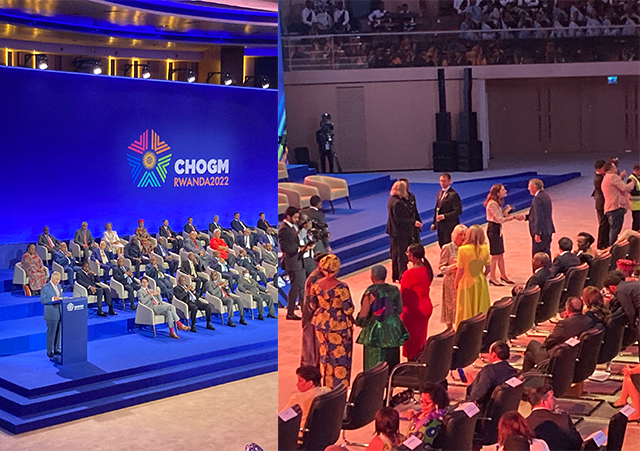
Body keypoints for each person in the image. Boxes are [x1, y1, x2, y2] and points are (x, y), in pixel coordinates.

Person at [310, 255, 354, 388]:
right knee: (341, 361)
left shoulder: (316, 285)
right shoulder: (341, 287)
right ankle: (339, 391)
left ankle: (326, 389)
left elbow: (313, 305)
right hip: (339, 325)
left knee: (326, 359)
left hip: (321, 323)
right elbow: (348, 309)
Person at [356, 265, 409, 371]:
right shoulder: (394, 289)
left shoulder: (370, 291)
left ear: (372, 277)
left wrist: (359, 321)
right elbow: (399, 309)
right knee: (391, 362)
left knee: (375, 365)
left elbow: (364, 312)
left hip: (375, 331)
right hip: (392, 330)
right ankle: (390, 384)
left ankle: (375, 385)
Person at [522, 297, 593, 372]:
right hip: (573, 358)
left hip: (555, 360)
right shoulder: (589, 321)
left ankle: (524, 377)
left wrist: (543, 348)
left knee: (532, 344)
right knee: (529, 355)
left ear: (568, 310)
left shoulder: (564, 324)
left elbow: (549, 342)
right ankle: (526, 376)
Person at [401, 243, 434, 361]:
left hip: (414, 311)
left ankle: (412, 365)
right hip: (426, 307)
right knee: (420, 338)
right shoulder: (427, 269)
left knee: (412, 341)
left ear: (412, 256)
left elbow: (403, 295)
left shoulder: (409, 274)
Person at [466, 341, 518, 414]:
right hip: (502, 411)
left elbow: (477, 396)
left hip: (485, 411)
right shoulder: (513, 371)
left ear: (493, 355)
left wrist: (472, 384)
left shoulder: (488, 371)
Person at [526, 386, 583, 451]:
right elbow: (577, 443)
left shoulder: (525, 423)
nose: (555, 399)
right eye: (552, 397)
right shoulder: (562, 418)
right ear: (543, 402)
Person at [455, 224, 491, 327]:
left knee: (465, 307)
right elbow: (488, 268)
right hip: (480, 280)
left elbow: (460, 271)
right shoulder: (485, 248)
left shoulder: (463, 249)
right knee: (481, 305)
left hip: (466, 281)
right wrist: (482, 275)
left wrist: (456, 282)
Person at [485, 184, 519, 286]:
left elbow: (500, 216)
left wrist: (506, 211)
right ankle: (492, 277)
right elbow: (500, 219)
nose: (505, 191)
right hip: (493, 229)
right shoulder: (492, 204)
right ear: (497, 192)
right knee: (495, 255)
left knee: (500, 254)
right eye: (503, 190)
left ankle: (503, 276)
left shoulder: (497, 202)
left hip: (497, 229)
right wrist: (513, 217)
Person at [387, 180, 421, 282]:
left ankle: (396, 275)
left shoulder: (391, 199)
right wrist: (413, 222)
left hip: (394, 232)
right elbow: (399, 219)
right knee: (401, 255)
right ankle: (402, 276)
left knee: (396, 254)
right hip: (399, 233)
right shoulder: (397, 203)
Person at [300, 252, 328, 367]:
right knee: (312, 349)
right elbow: (311, 303)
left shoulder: (323, 276)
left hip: (320, 317)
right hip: (313, 318)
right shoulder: (315, 278)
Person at [279, 206, 306, 320]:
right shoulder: (284, 229)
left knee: (298, 286)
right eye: (295, 217)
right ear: (288, 216)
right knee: (295, 287)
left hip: (296, 261)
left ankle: (298, 309)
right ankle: (290, 312)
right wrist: (299, 249)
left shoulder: (290, 226)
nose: (297, 219)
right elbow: (285, 247)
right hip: (292, 262)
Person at [439, 224, 468, 329]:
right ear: (455, 235)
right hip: (450, 282)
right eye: (461, 234)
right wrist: (452, 267)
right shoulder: (447, 248)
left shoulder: (467, 248)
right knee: (450, 306)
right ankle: (449, 330)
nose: (463, 237)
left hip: (463, 280)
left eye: (465, 234)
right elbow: (441, 267)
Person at [405, 382, 449, 448]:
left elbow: (421, 446)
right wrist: (415, 416)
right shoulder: (439, 413)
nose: (423, 405)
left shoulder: (433, 423)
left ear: (437, 403)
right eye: (421, 401)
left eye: (427, 403)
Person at [602, 161, 635, 245]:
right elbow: (624, 188)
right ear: (611, 169)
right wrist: (633, 182)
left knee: (613, 229)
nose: (616, 169)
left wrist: (621, 178)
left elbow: (615, 185)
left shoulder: (607, 177)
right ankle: (612, 248)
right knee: (615, 230)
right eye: (615, 167)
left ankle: (611, 246)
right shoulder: (613, 176)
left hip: (609, 207)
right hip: (615, 207)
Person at [525, 179, 555, 257]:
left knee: (538, 256)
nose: (528, 188)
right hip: (548, 230)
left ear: (534, 187)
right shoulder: (545, 196)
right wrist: (526, 217)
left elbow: (539, 217)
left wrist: (537, 233)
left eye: (529, 186)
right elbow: (542, 214)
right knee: (546, 254)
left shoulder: (537, 199)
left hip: (542, 232)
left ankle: (539, 269)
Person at [431, 173, 462, 248]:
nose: (442, 183)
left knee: (449, 245)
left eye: (444, 181)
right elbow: (437, 209)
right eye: (441, 181)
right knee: (441, 244)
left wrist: (445, 216)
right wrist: (434, 223)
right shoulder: (439, 193)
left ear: (449, 181)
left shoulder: (453, 195)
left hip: (449, 226)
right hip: (441, 226)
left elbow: (458, 211)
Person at [41, 271, 63, 359]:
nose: (58, 281)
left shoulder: (59, 286)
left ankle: (57, 348)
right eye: (57, 280)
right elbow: (43, 300)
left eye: (59, 280)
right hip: (51, 313)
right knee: (51, 333)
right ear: (52, 278)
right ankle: (49, 351)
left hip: (60, 312)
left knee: (58, 332)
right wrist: (53, 299)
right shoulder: (45, 288)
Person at [592, 160, 610, 249]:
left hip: (603, 203)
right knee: (603, 224)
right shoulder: (599, 179)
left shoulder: (602, 176)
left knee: (606, 223)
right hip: (601, 204)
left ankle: (605, 241)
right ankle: (601, 244)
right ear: (599, 169)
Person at [399, 178, 422, 245]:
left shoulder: (411, 196)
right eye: (405, 186)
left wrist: (419, 220)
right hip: (405, 228)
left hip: (414, 226)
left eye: (408, 185)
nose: (407, 187)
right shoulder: (398, 200)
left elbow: (415, 210)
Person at [628, 163, 640, 231]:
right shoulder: (631, 179)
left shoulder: (637, 178)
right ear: (637, 170)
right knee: (636, 224)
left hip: (638, 205)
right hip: (635, 206)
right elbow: (632, 192)